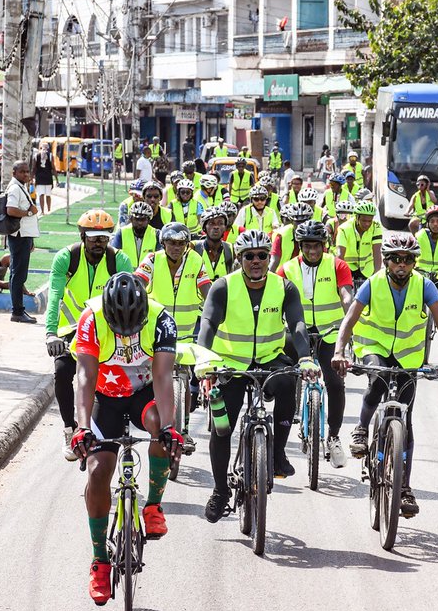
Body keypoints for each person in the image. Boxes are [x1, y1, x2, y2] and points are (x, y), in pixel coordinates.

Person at [70, 272, 183, 605]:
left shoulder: (162, 319)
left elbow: (163, 377)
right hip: (104, 396)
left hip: (142, 393)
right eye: (119, 327)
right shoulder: (90, 319)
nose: (126, 335)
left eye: (133, 327)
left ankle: (152, 506)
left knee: (160, 429)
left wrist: (169, 426)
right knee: (98, 471)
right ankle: (99, 562)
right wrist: (81, 427)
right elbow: (85, 376)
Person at [197, 230, 320, 521]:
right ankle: (220, 491)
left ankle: (277, 454)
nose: (256, 261)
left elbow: (298, 324)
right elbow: (208, 324)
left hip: (268, 359)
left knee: (290, 381)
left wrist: (305, 358)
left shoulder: (284, 287)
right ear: (239, 258)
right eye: (249, 256)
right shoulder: (223, 286)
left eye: (262, 255)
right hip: (231, 364)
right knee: (221, 429)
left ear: (269, 257)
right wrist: (203, 359)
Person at [333, 232, 438, 516]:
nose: (402, 265)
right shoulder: (373, 284)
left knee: (407, 419)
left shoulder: (425, 286)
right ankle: (362, 429)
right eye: (396, 260)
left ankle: (404, 487)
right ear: (387, 261)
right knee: (376, 381)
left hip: (408, 356)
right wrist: (340, 351)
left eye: (407, 260)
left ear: (414, 262)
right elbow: (350, 319)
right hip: (374, 346)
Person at [45, 209, 134, 460]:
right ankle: (69, 428)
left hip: (105, 330)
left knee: (108, 380)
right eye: (93, 238)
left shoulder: (120, 261)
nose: (99, 243)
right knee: (62, 372)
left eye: (104, 238)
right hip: (70, 331)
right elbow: (55, 296)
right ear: (82, 236)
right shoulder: (67, 258)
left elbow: (131, 297)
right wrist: (51, 334)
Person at [277, 220, 355, 468]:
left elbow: (346, 294)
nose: (312, 251)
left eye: (317, 246)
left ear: (325, 245)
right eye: (307, 246)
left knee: (334, 382)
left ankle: (333, 437)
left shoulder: (337, 265)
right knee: (286, 382)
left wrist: (349, 319)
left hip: (330, 332)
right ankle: (281, 444)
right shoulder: (287, 269)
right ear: (300, 246)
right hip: (296, 331)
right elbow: (274, 297)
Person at [135, 223, 211, 344]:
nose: (177, 247)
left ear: (187, 245)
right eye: (171, 243)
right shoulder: (152, 259)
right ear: (163, 243)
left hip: (186, 337)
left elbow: (208, 292)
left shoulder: (195, 260)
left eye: (181, 243)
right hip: (156, 333)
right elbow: (137, 285)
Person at [4, 160, 40, 324]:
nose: (26, 174)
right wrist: (29, 213)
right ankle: (17, 312)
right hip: (18, 237)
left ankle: (17, 311)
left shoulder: (20, 186)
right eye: (22, 172)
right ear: (14, 173)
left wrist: (30, 238)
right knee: (18, 275)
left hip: (23, 236)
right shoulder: (14, 188)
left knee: (18, 274)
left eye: (27, 171)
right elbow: (10, 210)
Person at [334, 198, 382, 287]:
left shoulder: (376, 227)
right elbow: (340, 255)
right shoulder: (344, 229)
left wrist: (376, 275)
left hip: (367, 267)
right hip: (348, 267)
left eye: (369, 221)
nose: (367, 224)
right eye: (364, 220)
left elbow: (377, 253)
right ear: (356, 217)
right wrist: (340, 278)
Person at [110, 201, 159, 267]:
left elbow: (160, 257)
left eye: (143, 219)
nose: (140, 223)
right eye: (136, 219)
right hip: (126, 274)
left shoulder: (156, 234)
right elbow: (113, 255)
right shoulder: (121, 232)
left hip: (148, 274)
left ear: (149, 220)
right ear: (131, 219)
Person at [194, 205, 236, 281]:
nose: (216, 227)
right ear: (204, 227)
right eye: (211, 223)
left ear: (225, 227)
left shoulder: (231, 249)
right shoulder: (194, 247)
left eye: (220, 223)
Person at [270, 201, 314, 271]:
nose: (300, 225)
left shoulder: (316, 236)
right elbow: (274, 261)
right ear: (291, 221)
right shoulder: (281, 235)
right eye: (297, 221)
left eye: (304, 221)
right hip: (282, 275)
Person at [32, 143, 55, 216]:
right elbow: (53, 167)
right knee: (48, 195)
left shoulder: (36, 156)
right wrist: (56, 179)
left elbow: (34, 168)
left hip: (39, 178)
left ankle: (42, 211)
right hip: (48, 178)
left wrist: (31, 177)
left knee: (41, 195)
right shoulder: (50, 156)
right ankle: (49, 210)